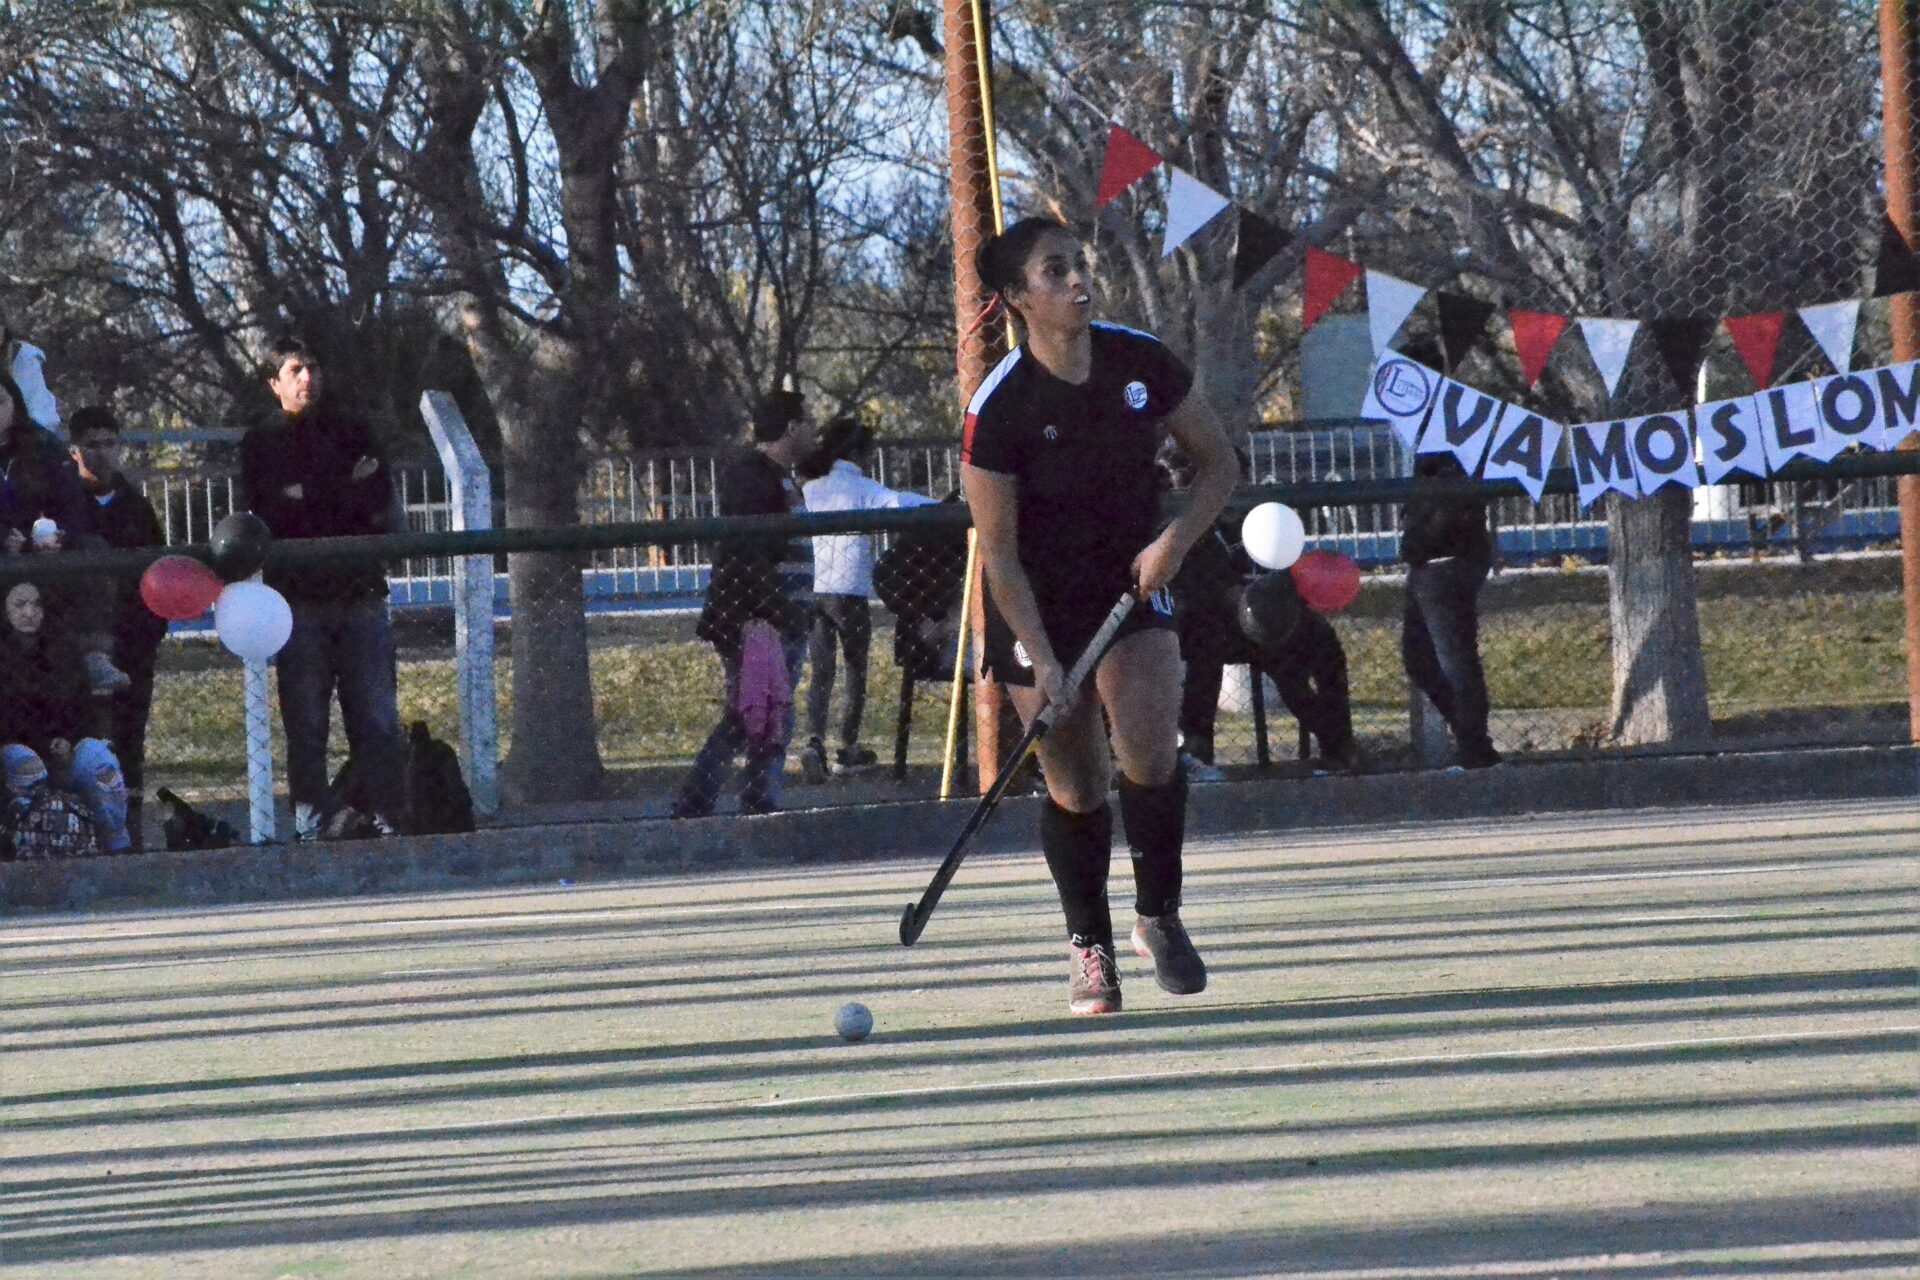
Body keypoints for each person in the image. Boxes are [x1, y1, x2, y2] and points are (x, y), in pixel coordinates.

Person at [962, 216, 1239, 1015]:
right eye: (1055, 271)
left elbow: (1220, 465)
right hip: (1033, 601)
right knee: (1077, 784)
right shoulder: (997, 407)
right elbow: (1000, 554)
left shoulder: (1138, 360)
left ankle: (1159, 914)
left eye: (1078, 264)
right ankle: (1090, 945)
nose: (1079, 280)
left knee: (1149, 746)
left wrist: (1173, 544)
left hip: (1130, 584)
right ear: (1017, 297)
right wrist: (1043, 657)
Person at [240, 333, 406, 840]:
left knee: (376, 718)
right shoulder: (261, 441)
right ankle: (314, 819)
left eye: (312, 366)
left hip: (361, 593)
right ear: (274, 383)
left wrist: (309, 493)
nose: (307, 378)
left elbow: (377, 500)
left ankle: (385, 815)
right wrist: (343, 487)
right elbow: (270, 511)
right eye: (295, 369)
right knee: (307, 722)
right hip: (298, 604)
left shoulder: (353, 430)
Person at [669, 389, 818, 818]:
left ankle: (750, 794)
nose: (814, 432)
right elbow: (748, 552)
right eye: (808, 422)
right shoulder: (754, 478)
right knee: (752, 707)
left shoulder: (780, 477)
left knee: (768, 706)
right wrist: (768, 611)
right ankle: (721, 797)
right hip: (759, 618)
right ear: (791, 427)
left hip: (780, 614)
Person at [798, 414, 939, 782]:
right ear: (858, 454)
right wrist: (943, 505)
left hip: (815, 589)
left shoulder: (811, 488)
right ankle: (848, 747)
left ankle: (813, 740)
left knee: (821, 671)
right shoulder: (860, 488)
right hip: (850, 591)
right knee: (855, 669)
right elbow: (898, 503)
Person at [1170, 526, 1357, 779]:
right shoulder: (1195, 532)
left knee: (1322, 646)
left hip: (1273, 617)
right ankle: (1196, 754)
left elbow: (1290, 578)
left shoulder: (1264, 525)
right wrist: (1236, 595)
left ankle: (1339, 748)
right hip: (1218, 627)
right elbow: (1207, 591)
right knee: (1205, 659)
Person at [68, 407, 168, 847]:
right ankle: (85, 831)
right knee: (84, 739)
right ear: (74, 450)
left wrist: (148, 634)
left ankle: (131, 832)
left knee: (129, 740)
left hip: (132, 645)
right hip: (78, 647)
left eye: (110, 443)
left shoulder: (136, 508)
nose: (102, 453)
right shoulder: (64, 506)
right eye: (92, 444)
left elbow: (159, 574)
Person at [0, 373, 127, 695]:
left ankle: (95, 657)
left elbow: (71, 504)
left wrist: (60, 536)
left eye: (0, 402)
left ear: (15, 404)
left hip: (41, 551)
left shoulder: (43, 447)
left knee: (92, 547)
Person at [1401, 451, 1500, 769]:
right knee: (1420, 659)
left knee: (1454, 663)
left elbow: (1449, 503)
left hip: (1444, 561)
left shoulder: (1453, 451)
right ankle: (1471, 737)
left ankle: (1474, 747)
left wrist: (1423, 539)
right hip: (1433, 560)